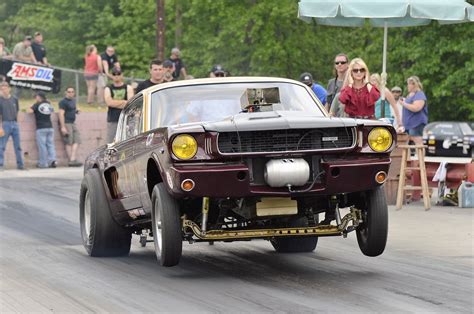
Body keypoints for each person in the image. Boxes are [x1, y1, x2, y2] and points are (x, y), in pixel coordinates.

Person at [104, 67, 134, 142]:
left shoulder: (128, 87)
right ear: (112, 76)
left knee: (127, 141)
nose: (116, 76)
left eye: (118, 74)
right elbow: (109, 102)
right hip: (113, 119)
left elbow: (130, 103)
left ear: (122, 75)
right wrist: (123, 102)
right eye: (114, 74)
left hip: (127, 119)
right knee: (111, 142)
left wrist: (115, 103)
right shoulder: (108, 88)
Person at [28, 92, 57, 168]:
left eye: (36, 97)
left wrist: (31, 106)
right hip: (50, 127)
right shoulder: (48, 103)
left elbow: (30, 111)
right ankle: (52, 161)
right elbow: (52, 110)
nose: (35, 98)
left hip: (41, 128)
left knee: (42, 146)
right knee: (50, 145)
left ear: (39, 97)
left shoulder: (37, 104)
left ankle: (43, 163)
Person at [0, 82, 24, 170]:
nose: (3, 90)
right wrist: (0, 127)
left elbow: (17, 111)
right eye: (1, 89)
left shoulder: (14, 99)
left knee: (18, 146)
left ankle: (20, 165)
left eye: (5, 88)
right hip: (5, 124)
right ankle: (0, 164)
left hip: (14, 124)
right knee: (1, 146)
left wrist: (17, 123)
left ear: (9, 89)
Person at [400, 76, 428, 145]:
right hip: (408, 123)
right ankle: (406, 156)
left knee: (418, 141)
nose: (408, 86)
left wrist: (404, 104)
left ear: (414, 84)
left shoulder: (420, 95)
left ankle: (421, 156)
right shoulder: (410, 95)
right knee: (405, 142)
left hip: (416, 123)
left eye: (409, 84)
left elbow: (417, 108)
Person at [58, 87, 82, 167]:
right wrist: (63, 126)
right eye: (69, 92)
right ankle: (71, 160)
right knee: (69, 142)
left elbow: (73, 110)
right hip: (66, 123)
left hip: (73, 123)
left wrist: (77, 111)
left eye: (72, 92)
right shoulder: (63, 102)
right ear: (66, 92)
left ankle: (73, 158)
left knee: (77, 140)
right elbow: (61, 114)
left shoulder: (73, 101)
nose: (70, 93)